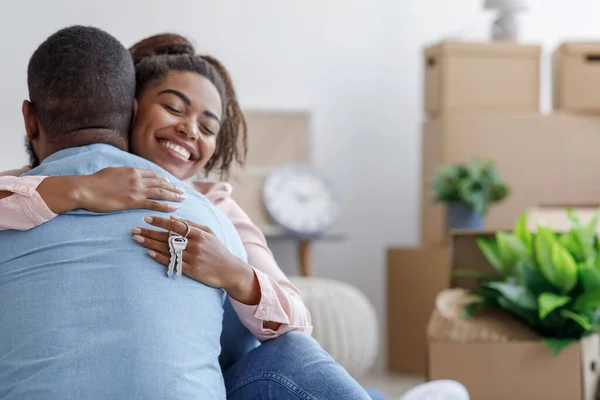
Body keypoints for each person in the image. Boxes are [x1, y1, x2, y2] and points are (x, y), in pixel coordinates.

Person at [0, 26, 381, 400]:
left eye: (208, 127)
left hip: (223, 366)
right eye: (172, 108)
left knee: (294, 352)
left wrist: (232, 272)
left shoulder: (217, 211)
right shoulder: (29, 190)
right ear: (129, 110)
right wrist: (82, 188)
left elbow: (287, 322)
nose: (189, 130)